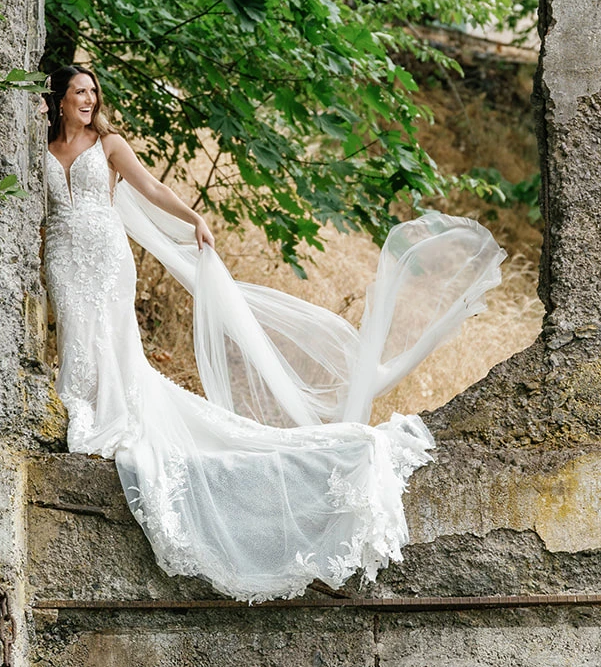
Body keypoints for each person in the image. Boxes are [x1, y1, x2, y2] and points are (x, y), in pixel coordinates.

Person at [42, 62, 505, 602]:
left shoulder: (111, 145)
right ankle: (81, 402)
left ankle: (108, 411)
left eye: (94, 93)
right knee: (77, 331)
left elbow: (149, 187)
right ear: (60, 99)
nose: (90, 101)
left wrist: (194, 218)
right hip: (63, 253)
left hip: (107, 254)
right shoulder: (42, 148)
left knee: (111, 333)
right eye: (80, 93)